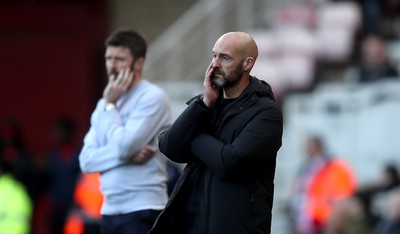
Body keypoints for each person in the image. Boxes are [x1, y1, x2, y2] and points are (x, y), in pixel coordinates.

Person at [150, 32, 283, 234]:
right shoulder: (207, 105)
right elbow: (169, 146)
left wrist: (193, 134)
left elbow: (229, 162)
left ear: (247, 64)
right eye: (214, 55)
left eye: (225, 57)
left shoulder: (266, 113)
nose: (215, 64)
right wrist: (203, 104)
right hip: (190, 225)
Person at [79, 28, 172, 234]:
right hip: (110, 209)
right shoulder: (103, 103)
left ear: (139, 63)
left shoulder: (152, 97)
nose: (111, 66)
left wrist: (111, 106)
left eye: (119, 59)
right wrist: (129, 157)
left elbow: (123, 146)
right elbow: (86, 161)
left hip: (143, 209)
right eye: (108, 58)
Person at [290, 136, 356, 234]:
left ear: (318, 147)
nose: (307, 150)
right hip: (306, 218)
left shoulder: (335, 166)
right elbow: (298, 192)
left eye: (310, 147)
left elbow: (344, 195)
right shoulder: (304, 168)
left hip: (325, 218)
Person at [46, 117, 81, 234]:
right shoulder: (52, 155)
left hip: (73, 209)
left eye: (60, 131)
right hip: (55, 208)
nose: (56, 134)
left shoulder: (78, 156)